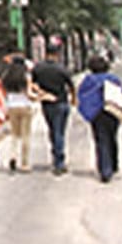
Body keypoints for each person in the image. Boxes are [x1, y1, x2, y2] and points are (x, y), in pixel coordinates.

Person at [77, 54, 122, 183]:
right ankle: (114, 165)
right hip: (112, 111)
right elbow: (121, 92)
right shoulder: (113, 78)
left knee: (101, 140)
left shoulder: (88, 80)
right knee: (112, 137)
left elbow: (81, 96)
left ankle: (105, 170)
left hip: (96, 113)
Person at [31, 42, 77, 175]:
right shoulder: (62, 69)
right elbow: (71, 85)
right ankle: (59, 162)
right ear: (57, 54)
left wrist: (42, 93)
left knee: (52, 130)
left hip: (47, 103)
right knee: (59, 132)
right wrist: (74, 99)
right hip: (61, 102)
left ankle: (55, 155)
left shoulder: (38, 68)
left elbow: (32, 84)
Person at [0, 49, 37, 172]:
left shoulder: (7, 77)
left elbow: (5, 94)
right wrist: (38, 97)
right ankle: (25, 163)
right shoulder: (26, 77)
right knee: (26, 135)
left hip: (12, 107)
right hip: (25, 106)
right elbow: (29, 94)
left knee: (14, 135)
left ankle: (13, 156)